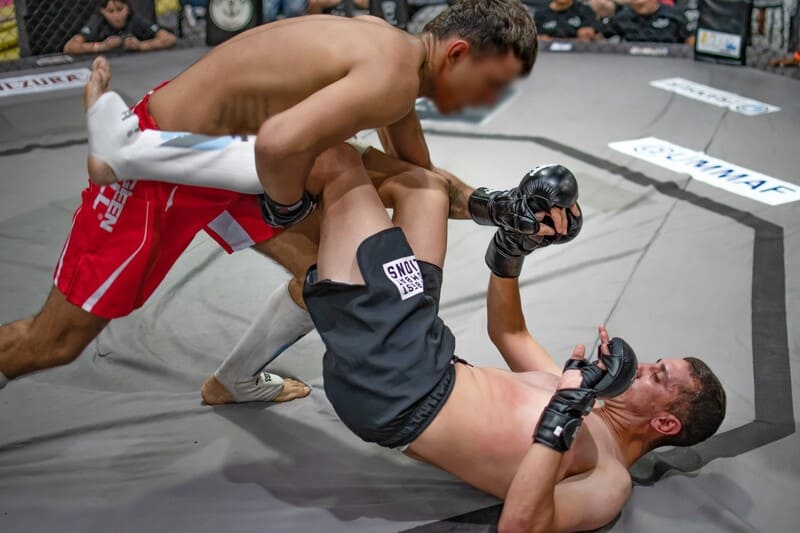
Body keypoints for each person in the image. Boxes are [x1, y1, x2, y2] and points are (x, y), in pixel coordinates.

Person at [0, 1, 554, 404]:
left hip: (230, 157)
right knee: (54, 343)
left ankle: (232, 380)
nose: (487, 101)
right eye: (491, 83)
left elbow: (418, 174)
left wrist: (496, 207)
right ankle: (120, 149)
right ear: (458, 53)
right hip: (164, 172)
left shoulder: (390, 48)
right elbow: (281, 143)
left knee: (328, 274)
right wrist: (286, 206)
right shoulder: (391, 77)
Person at [63, 0, 177, 55]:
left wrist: (141, 45)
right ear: (103, 11)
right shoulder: (97, 21)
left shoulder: (134, 19)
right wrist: (101, 46)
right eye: (111, 11)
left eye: (120, 10)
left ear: (127, 8)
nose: (116, 16)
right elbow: (69, 47)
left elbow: (169, 38)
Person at [602, 0, 694, 45]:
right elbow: (599, 38)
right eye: (636, 3)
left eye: (643, 4)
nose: (639, 3)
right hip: (633, 61)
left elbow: (690, 41)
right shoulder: (622, 17)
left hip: (668, 59)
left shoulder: (675, 15)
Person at [534, 0, 599, 41]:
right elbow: (535, 38)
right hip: (548, 56)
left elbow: (588, 36)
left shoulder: (584, 11)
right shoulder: (540, 14)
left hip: (579, 56)